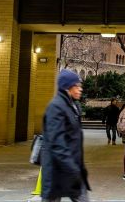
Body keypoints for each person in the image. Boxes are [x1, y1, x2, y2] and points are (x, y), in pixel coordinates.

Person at [41, 70, 91, 202]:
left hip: (72, 168)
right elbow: (57, 143)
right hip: (58, 169)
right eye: (77, 86)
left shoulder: (74, 105)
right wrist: (73, 168)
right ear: (67, 87)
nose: (80, 89)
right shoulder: (56, 107)